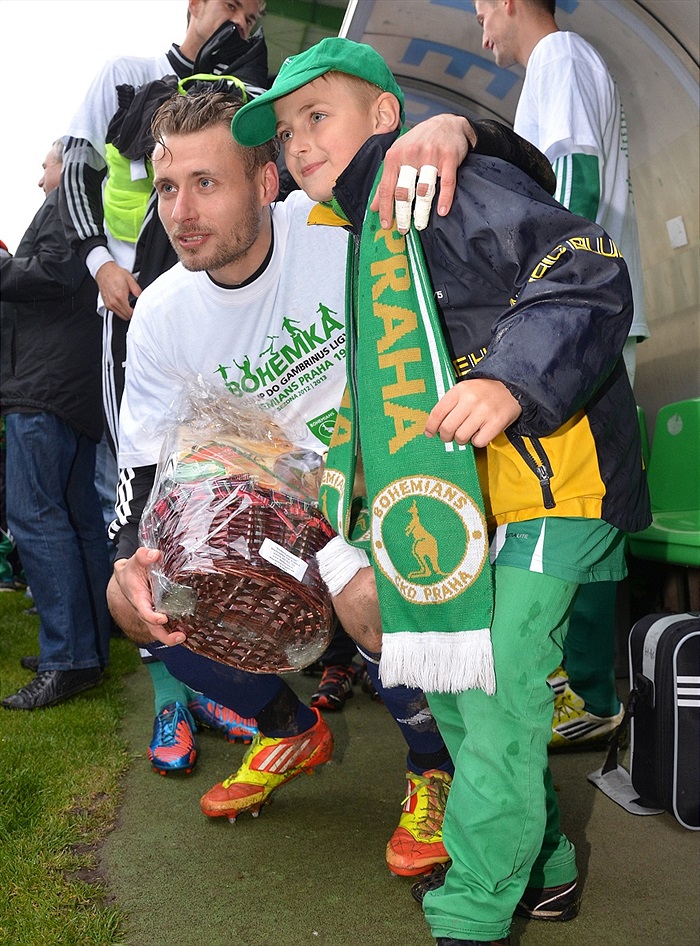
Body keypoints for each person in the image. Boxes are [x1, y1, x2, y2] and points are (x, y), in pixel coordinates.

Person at [230, 36, 650, 945]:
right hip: (473, 500)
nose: (298, 144)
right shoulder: (366, 228)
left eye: (317, 116)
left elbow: (584, 268)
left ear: (386, 115)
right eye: (285, 133)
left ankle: (474, 909)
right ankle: (543, 864)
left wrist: (511, 381)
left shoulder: (432, 182)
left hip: (556, 479)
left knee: (493, 684)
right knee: (452, 682)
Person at [106, 90, 461, 878]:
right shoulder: (161, 312)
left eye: (208, 183)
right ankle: (285, 726)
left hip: (372, 488)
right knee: (142, 602)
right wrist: (128, 562)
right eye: (168, 188)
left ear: (267, 185)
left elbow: (459, 182)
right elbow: (140, 468)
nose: (181, 212)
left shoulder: (335, 231)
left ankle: (433, 764)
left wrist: (458, 127)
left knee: (363, 591)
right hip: (267, 515)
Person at [59, 0, 269, 772]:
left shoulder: (254, 83)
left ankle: (221, 681)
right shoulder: (127, 76)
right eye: (228, 1)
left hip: (220, 329)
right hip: (140, 313)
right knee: (149, 500)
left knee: (223, 502)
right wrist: (101, 265)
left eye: (252, 8)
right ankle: (170, 704)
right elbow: (77, 171)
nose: (240, 15)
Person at [473, 0, 650, 749]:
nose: (479, 19)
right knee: (581, 490)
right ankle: (586, 685)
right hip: (583, 311)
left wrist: (539, 299)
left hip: (576, 314)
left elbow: (571, 178)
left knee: (578, 492)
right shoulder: (559, 63)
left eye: (482, 3)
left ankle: (586, 690)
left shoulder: (560, 56)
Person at [0, 141, 111, 710]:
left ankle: (68, 656)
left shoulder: (69, 200)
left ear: (66, 164)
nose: (38, 172)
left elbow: (52, 272)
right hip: (69, 388)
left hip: (45, 388)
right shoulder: (84, 206)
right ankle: (83, 647)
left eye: (45, 161)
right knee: (75, 520)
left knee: (36, 517)